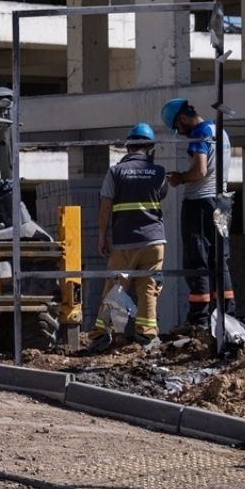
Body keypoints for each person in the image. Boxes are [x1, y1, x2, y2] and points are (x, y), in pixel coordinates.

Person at [89, 123, 168, 350]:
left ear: (127, 148)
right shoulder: (159, 172)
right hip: (154, 242)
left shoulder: (115, 172)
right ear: (151, 148)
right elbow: (161, 193)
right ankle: (147, 336)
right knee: (149, 288)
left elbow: (105, 208)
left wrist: (103, 237)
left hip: (124, 242)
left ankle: (101, 335)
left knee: (116, 287)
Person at [161, 98, 234, 327]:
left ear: (183, 118)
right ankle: (227, 316)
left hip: (200, 203)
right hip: (222, 204)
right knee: (219, 258)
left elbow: (200, 170)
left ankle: (199, 319)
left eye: (178, 127)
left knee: (197, 259)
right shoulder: (218, 130)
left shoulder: (200, 133)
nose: (180, 132)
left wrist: (179, 178)